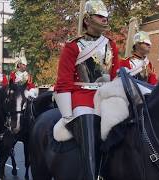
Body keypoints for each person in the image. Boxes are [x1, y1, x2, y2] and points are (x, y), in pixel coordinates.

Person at [53, 0, 120, 179]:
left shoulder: (111, 45)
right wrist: (68, 115)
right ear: (87, 20)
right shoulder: (72, 46)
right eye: (100, 16)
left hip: (106, 95)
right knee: (88, 127)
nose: (105, 19)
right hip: (82, 97)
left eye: (106, 16)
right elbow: (64, 82)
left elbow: (115, 76)